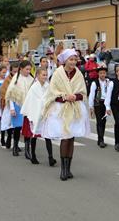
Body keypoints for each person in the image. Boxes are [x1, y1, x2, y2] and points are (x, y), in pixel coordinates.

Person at [38, 49, 90, 181]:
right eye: (71, 59)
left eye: (75, 59)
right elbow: (52, 93)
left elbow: (83, 92)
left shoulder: (78, 74)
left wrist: (75, 96)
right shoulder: (57, 73)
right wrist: (65, 97)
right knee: (65, 137)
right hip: (61, 109)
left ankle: (68, 168)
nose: (73, 62)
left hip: (74, 108)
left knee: (71, 137)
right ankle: (63, 169)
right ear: (65, 60)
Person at [21, 68, 57, 166]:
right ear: (37, 76)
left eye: (46, 75)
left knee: (47, 136)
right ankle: (33, 155)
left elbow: (50, 98)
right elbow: (30, 101)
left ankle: (50, 157)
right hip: (35, 113)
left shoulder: (48, 87)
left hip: (45, 114)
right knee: (34, 137)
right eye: (43, 75)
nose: (45, 77)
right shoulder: (34, 88)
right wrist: (32, 113)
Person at [5, 60, 34, 156]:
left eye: (30, 69)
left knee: (27, 128)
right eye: (27, 69)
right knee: (17, 127)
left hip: (29, 106)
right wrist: (12, 108)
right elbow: (10, 95)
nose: (28, 71)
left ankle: (27, 149)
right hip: (17, 106)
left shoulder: (31, 79)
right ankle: (15, 146)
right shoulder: (16, 79)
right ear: (21, 69)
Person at [88, 64, 110, 148]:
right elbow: (91, 95)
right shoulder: (95, 83)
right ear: (98, 74)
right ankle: (101, 140)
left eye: (104, 73)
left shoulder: (108, 82)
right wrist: (91, 106)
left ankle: (101, 138)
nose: (102, 75)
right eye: (101, 73)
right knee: (99, 121)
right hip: (98, 103)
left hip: (106, 103)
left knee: (104, 121)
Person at [105, 65, 119, 152]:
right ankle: (117, 143)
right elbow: (108, 95)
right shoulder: (112, 83)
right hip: (115, 104)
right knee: (118, 122)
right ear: (117, 73)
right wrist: (107, 107)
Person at [0, 62, 19, 149]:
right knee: (8, 123)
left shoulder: (21, 79)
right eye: (14, 71)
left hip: (18, 103)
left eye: (17, 72)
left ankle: (15, 144)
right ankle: (8, 138)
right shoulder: (7, 80)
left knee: (17, 125)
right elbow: (3, 91)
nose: (15, 73)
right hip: (9, 103)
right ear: (10, 71)